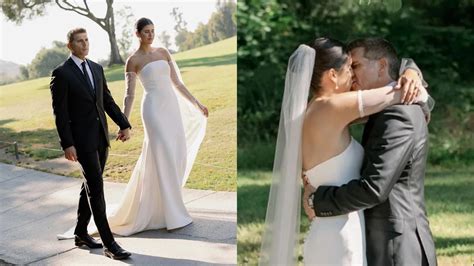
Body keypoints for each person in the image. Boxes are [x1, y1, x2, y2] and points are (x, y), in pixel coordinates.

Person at [259, 37, 431, 265]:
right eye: (349, 68)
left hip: (332, 228)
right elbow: (398, 94)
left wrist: (410, 70)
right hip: (339, 234)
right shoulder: (333, 107)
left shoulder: (315, 110)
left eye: (355, 66)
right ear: (332, 75)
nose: (352, 75)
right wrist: (413, 79)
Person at [101, 17, 208, 235]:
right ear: (137, 34)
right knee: (163, 155)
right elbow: (129, 95)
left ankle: (162, 209)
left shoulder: (163, 52)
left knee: (177, 154)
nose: (151, 35)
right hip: (153, 111)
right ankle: (173, 214)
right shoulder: (133, 60)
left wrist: (197, 103)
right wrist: (124, 123)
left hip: (171, 109)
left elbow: (177, 83)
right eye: (146, 31)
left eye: (153, 31)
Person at [50, 28, 132, 260]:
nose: (85, 44)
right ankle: (110, 244)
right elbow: (60, 113)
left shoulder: (96, 68)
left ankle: (80, 232)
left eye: (87, 40)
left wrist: (123, 124)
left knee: (90, 184)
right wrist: (67, 144)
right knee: (96, 188)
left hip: (101, 138)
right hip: (81, 142)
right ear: (70, 45)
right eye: (79, 41)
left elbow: (106, 100)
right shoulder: (62, 74)